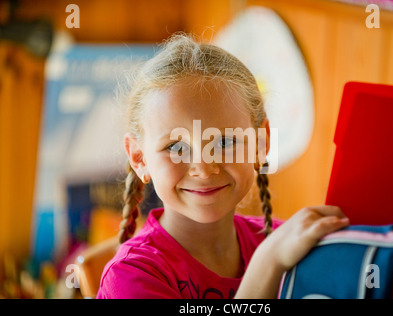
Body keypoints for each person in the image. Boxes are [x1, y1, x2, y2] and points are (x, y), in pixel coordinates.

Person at [96, 34, 349, 299]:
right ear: (139, 158)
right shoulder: (130, 277)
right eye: (176, 147)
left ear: (260, 143)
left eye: (226, 142)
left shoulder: (286, 242)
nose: (204, 169)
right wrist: (269, 263)